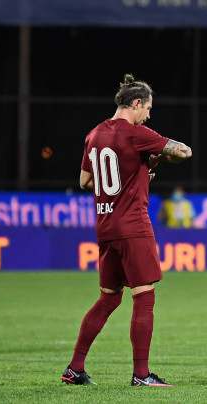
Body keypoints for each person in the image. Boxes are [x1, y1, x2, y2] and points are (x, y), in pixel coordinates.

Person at [62, 74, 192, 387]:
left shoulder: (94, 134)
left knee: (108, 299)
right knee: (144, 298)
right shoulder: (136, 133)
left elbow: (84, 182)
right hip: (133, 226)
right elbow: (184, 151)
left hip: (105, 226)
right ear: (135, 104)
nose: (148, 114)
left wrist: (133, 173)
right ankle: (142, 375)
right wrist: (156, 157)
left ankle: (75, 368)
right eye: (147, 108)